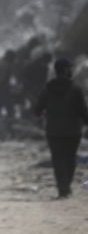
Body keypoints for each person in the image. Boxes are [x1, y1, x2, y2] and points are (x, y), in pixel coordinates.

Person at [33, 58, 88, 199]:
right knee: (70, 159)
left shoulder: (47, 88)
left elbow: (37, 109)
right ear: (65, 69)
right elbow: (83, 110)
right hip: (73, 131)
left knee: (58, 160)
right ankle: (66, 185)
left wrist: (41, 115)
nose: (72, 70)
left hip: (53, 131)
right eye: (70, 68)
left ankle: (62, 189)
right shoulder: (76, 89)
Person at [0, 50, 17, 139]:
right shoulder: (8, 65)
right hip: (5, 92)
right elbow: (10, 80)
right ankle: (11, 132)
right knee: (11, 112)